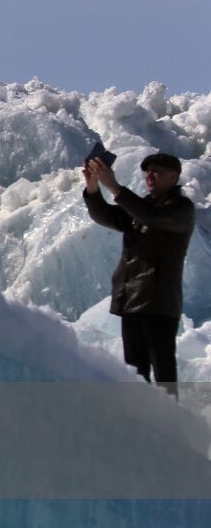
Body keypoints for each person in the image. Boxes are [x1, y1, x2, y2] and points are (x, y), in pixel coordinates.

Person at [83, 152, 195, 393]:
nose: (150, 175)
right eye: (147, 171)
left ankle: (171, 426)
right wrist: (93, 188)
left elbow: (151, 216)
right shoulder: (142, 209)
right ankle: (144, 428)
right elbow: (106, 215)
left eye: (157, 171)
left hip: (159, 303)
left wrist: (114, 186)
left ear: (174, 176)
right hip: (131, 300)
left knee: (163, 374)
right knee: (135, 375)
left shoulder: (181, 208)